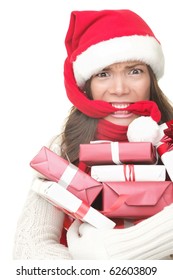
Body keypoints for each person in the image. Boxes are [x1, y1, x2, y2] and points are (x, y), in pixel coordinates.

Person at [13, 9, 173, 260]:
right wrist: (92, 271)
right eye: (103, 74)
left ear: (151, 79)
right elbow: (29, 247)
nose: (120, 89)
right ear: (86, 86)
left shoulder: (169, 139)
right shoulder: (63, 148)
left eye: (134, 71)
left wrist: (119, 252)